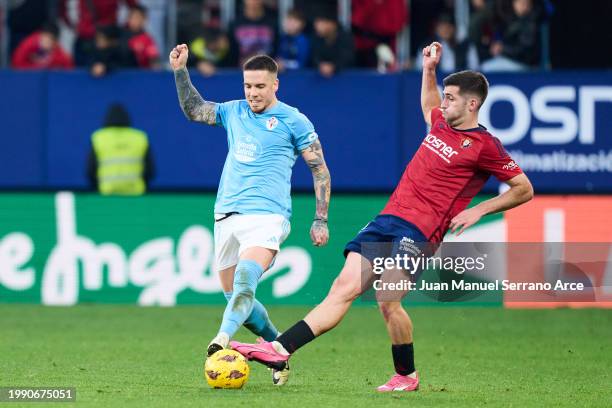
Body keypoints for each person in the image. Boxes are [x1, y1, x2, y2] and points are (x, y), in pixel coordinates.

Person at [230, 42, 534, 391]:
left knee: (388, 298)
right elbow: (429, 103)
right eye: (445, 97)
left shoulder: (485, 146)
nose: (444, 102)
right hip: (388, 218)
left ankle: (406, 375)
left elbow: (523, 188)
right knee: (342, 288)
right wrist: (429, 70)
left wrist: (478, 210)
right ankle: (280, 348)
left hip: (421, 230)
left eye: (451, 98)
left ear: (472, 104)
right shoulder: (440, 124)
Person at [169, 45, 331, 385]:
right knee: (235, 297)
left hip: (268, 216)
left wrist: (320, 218)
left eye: (260, 86)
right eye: (247, 86)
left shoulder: (294, 119)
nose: (252, 93)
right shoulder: (234, 111)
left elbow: (319, 170)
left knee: (245, 279)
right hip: (226, 214)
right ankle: (279, 353)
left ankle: (220, 341)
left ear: (275, 85)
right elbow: (195, 110)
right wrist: (181, 71)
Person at [87, 103, 154, 195]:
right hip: (136, 195)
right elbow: (150, 170)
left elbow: (90, 170)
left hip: (106, 194)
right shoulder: (140, 138)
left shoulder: (99, 138)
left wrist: (96, 188)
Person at [311, 11, 354, 77]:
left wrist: (334, 66)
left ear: (332, 24)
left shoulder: (345, 37)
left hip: (345, 78)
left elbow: (347, 57)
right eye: (316, 24)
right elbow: (314, 56)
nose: (317, 27)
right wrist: (320, 65)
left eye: (321, 24)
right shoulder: (316, 38)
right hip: (320, 79)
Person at [123, 4, 161, 69]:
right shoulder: (121, 35)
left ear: (144, 19)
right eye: (131, 17)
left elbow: (154, 60)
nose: (134, 20)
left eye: (137, 17)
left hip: (141, 75)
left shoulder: (147, 39)